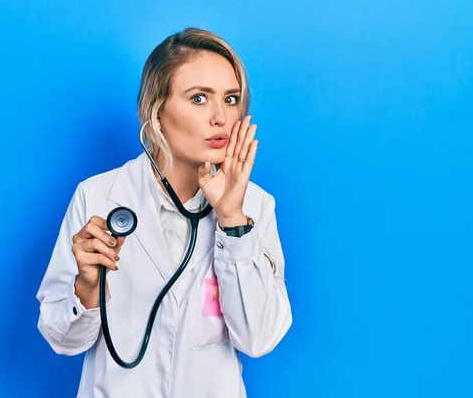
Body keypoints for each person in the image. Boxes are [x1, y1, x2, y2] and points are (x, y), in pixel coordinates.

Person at [36, 27, 292, 398]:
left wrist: (233, 221)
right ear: (157, 113)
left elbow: (259, 338)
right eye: (199, 98)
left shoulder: (254, 208)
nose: (220, 117)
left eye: (232, 98)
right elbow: (63, 340)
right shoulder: (98, 197)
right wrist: (88, 288)